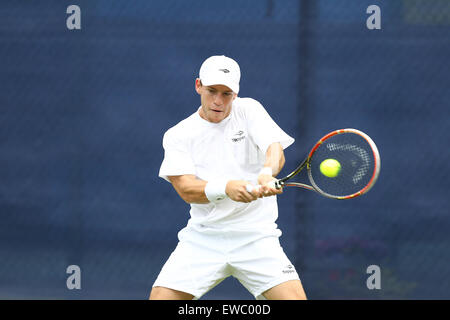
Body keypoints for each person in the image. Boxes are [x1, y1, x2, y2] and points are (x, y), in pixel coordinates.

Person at [149, 55, 307, 300]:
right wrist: (227, 187)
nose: (218, 100)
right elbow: (186, 189)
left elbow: (274, 150)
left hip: (256, 237)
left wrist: (266, 173)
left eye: (227, 94)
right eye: (212, 90)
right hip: (204, 238)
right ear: (198, 85)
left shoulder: (249, 110)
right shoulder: (178, 135)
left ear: (236, 94)